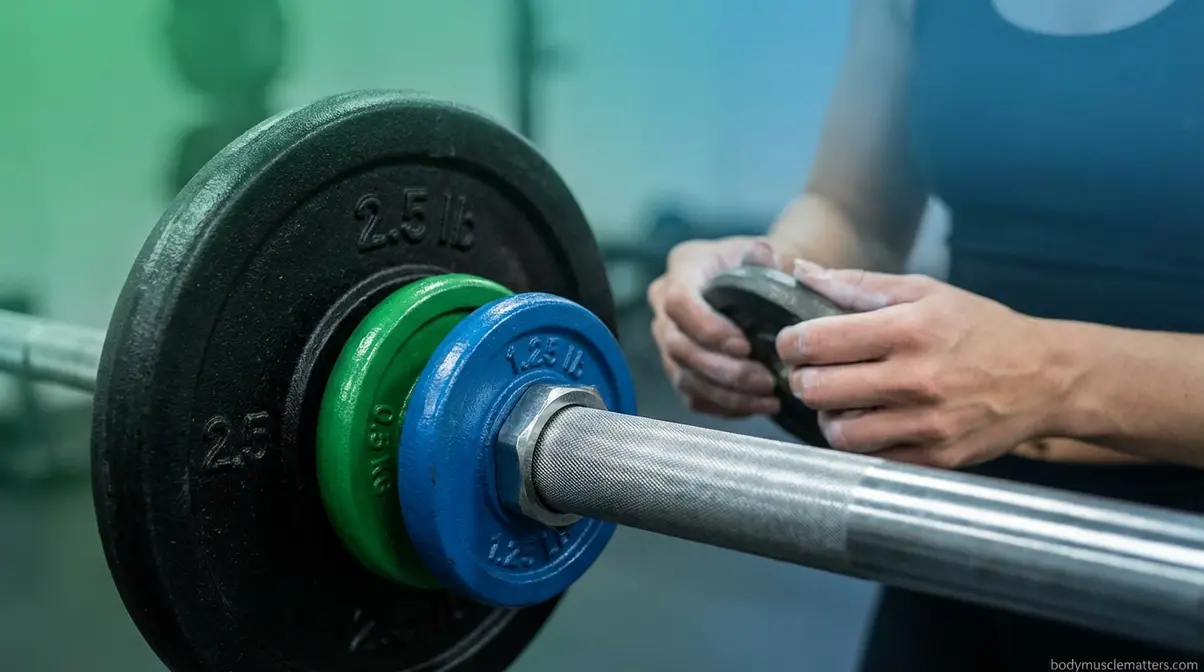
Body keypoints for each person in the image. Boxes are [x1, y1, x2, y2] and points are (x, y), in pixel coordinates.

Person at [647, 1, 1204, 669]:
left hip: (1181, 547)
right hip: (953, 511)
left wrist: (1054, 375)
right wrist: (763, 274)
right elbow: (855, 209)